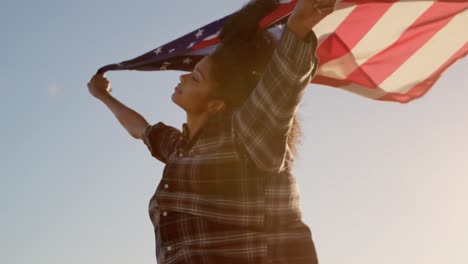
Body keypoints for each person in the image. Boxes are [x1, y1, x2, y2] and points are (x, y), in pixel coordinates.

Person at [88, 0, 336, 263]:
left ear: (216, 103)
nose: (182, 78)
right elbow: (140, 130)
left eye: (195, 77)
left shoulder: (246, 136)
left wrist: (296, 28)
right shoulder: (180, 149)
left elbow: (280, 88)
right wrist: (103, 96)